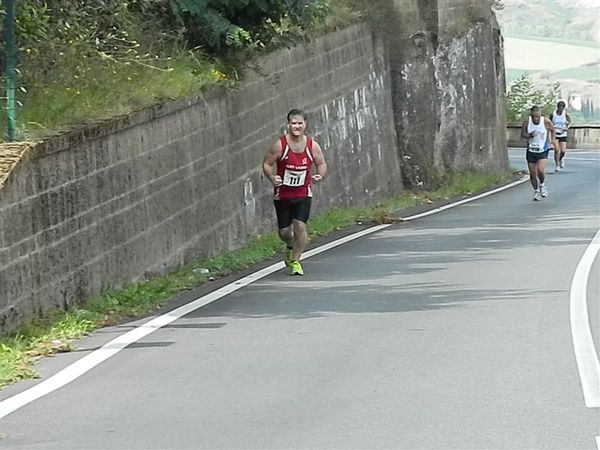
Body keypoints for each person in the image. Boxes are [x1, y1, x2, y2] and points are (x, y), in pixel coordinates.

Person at [262, 109, 327, 275]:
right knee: (285, 233)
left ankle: (296, 261)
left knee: (300, 226)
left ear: (305, 124)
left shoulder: (312, 145)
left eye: (300, 123)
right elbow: (267, 164)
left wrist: (320, 174)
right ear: (288, 124)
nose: (296, 126)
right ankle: (290, 246)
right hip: (283, 194)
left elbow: (321, 163)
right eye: (293, 123)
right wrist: (271, 177)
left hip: (303, 193)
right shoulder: (280, 145)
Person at [521, 106, 558, 201]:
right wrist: (529, 135)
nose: (536, 119)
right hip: (531, 150)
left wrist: (552, 142)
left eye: (537, 116)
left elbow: (553, 130)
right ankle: (536, 191)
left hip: (542, 149)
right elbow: (522, 134)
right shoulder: (526, 121)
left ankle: (542, 184)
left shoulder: (545, 121)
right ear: (531, 115)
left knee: (540, 170)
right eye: (534, 117)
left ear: (540, 115)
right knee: (533, 173)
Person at [549, 101, 572, 172]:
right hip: (555, 133)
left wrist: (567, 127)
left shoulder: (565, 114)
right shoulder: (553, 114)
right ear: (557, 107)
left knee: (563, 151)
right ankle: (557, 165)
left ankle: (560, 159)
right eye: (559, 107)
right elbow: (548, 122)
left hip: (563, 133)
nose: (561, 109)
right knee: (556, 150)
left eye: (562, 107)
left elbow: (570, 122)